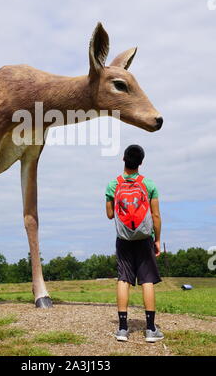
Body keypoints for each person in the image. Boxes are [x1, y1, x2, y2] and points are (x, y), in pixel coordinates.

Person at [105, 144, 164, 343]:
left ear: (123, 159)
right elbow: (155, 215)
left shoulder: (113, 185)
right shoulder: (149, 185)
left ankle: (122, 329)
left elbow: (110, 214)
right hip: (144, 238)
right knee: (147, 280)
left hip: (124, 239)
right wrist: (157, 240)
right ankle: (150, 329)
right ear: (141, 162)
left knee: (124, 279)